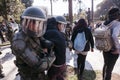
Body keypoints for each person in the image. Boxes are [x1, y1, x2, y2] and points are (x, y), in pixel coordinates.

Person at [11, 6, 55, 80]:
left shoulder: (34, 34)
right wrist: (52, 56)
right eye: (33, 22)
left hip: (40, 76)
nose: (36, 26)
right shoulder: (19, 41)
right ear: (25, 22)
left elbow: (45, 42)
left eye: (39, 23)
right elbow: (39, 66)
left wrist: (50, 45)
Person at [44, 16, 67, 80]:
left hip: (55, 64)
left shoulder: (47, 33)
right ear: (57, 24)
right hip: (63, 63)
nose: (62, 27)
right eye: (62, 25)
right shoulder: (60, 33)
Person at [102, 7, 120, 80]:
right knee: (109, 70)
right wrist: (117, 48)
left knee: (106, 65)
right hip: (113, 50)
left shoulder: (104, 23)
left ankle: (104, 78)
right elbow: (114, 35)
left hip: (105, 48)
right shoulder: (117, 23)